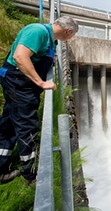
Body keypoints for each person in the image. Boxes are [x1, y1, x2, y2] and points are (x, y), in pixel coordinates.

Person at [0, 16, 79, 184]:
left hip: (22, 85)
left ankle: (1, 168)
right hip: (18, 84)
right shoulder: (37, 31)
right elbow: (20, 57)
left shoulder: (50, 40)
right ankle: (31, 175)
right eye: (71, 36)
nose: (70, 39)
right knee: (27, 126)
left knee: (8, 125)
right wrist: (41, 82)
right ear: (68, 31)